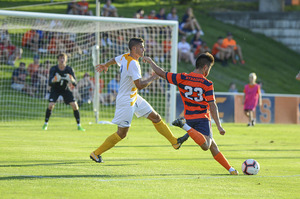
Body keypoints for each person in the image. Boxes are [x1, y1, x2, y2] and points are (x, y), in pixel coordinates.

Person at [90, 37, 187, 163]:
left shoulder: (125, 56)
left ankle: (174, 142)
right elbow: (139, 85)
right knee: (122, 133)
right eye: (141, 47)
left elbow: (115, 59)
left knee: (156, 117)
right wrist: (153, 78)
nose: (144, 49)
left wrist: (106, 64)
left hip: (134, 97)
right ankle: (96, 153)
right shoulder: (133, 64)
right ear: (134, 48)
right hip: (126, 101)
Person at [142, 52, 239, 175]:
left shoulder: (182, 78)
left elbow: (161, 73)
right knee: (206, 145)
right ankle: (184, 126)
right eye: (209, 68)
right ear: (205, 67)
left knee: (213, 145)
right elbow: (212, 105)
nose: (209, 71)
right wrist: (219, 125)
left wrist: (151, 62)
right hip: (202, 118)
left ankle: (230, 169)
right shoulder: (207, 84)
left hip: (189, 117)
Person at [42, 53, 85, 131]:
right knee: (51, 105)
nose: (62, 60)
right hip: (55, 89)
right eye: (60, 58)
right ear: (58, 60)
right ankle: (45, 124)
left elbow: (75, 83)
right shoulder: (54, 69)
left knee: (75, 105)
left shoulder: (69, 69)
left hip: (65, 89)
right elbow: (49, 83)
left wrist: (71, 79)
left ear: (66, 60)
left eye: (63, 58)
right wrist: (54, 79)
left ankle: (79, 125)